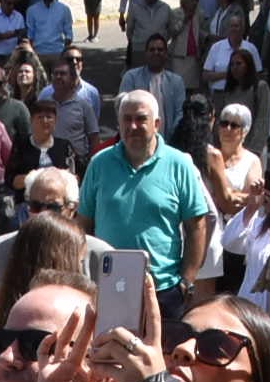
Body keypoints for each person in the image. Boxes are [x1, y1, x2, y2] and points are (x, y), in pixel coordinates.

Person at [79, 91, 217, 328]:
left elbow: (197, 226)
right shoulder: (99, 163)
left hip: (164, 289)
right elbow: (83, 224)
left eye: (140, 119)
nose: (133, 126)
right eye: (127, 119)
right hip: (109, 286)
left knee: (161, 360)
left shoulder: (179, 163)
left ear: (157, 124)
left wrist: (187, 280)